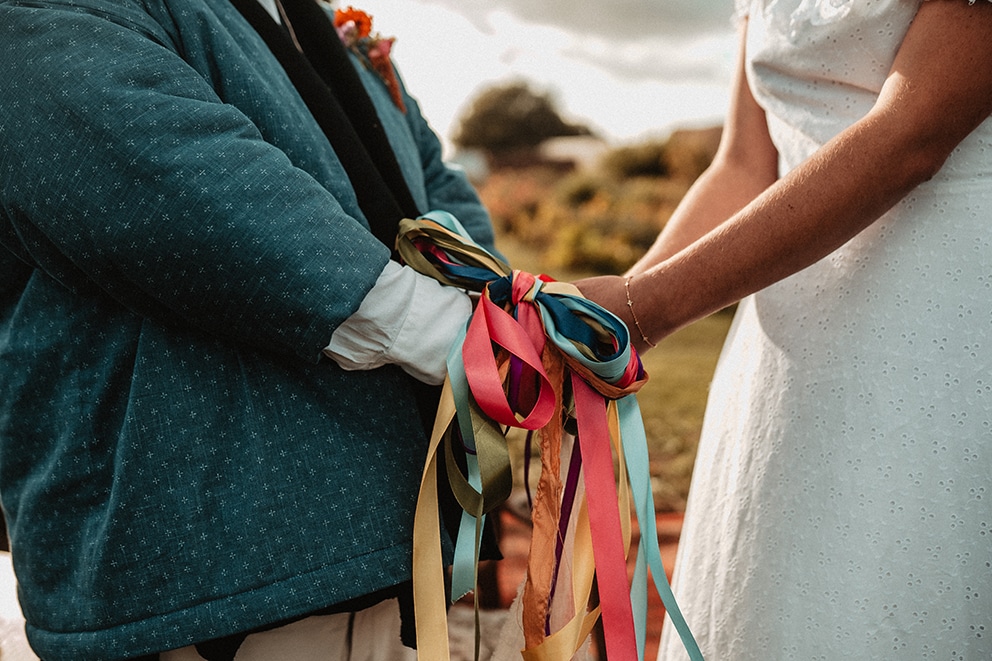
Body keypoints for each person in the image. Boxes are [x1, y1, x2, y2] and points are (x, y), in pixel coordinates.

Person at [0, 0, 499, 659]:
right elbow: (168, 170)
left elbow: (430, 178)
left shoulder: (314, 17)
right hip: (202, 554)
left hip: (371, 532)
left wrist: (498, 307)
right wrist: (455, 335)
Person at [576, 0, 992, 658]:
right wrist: (609, 321)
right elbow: (743, 165)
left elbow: (912, 134)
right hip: (778, 353)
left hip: (938, 335)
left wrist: (644, 305)